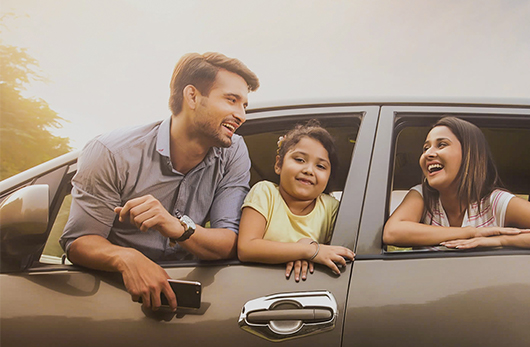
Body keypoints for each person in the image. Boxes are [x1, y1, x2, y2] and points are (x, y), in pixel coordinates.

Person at [59, 52, 259, 311]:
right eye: (231, 100)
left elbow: (228, 242)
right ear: (192, 96)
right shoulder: (111, 153)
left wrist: (176, 227)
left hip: (194, 305)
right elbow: (79, 241)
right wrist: (125, 257)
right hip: (109, 300)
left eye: (244, 106)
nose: (240, 115)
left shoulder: (234, 152)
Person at [383, 116, 530, 250]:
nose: (429, 153)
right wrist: (472, 232)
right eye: (426, 147)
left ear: (469, 155)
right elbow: (393, 232)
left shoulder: (495, 203)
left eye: (442, 145)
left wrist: (502, 240)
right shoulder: (421, 196)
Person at [237, 120, 355, 282]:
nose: (308, 170)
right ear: (279, 164)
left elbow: (335, 253)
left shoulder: (331, 208)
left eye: (320, 166)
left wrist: (310, 251)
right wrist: (306, 249)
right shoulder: (265, 192)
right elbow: (247, 247)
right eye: (299, 160)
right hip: (256, 283)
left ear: (328, 177)